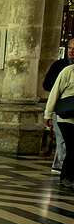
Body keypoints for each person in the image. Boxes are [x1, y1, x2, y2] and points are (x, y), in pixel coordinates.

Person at [43, 38, 73, 174]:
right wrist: (48, 114)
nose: (72, 51)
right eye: (71, 48)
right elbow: (52, 89)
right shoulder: (62, 67)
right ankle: (60, 167)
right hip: (63, 112)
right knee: (63, 142)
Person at [45, 62, 74, 190]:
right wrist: (48, 114)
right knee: (72, 148)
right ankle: (66, 177)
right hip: (66, 118)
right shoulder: (68, 71)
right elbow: (55, 92)